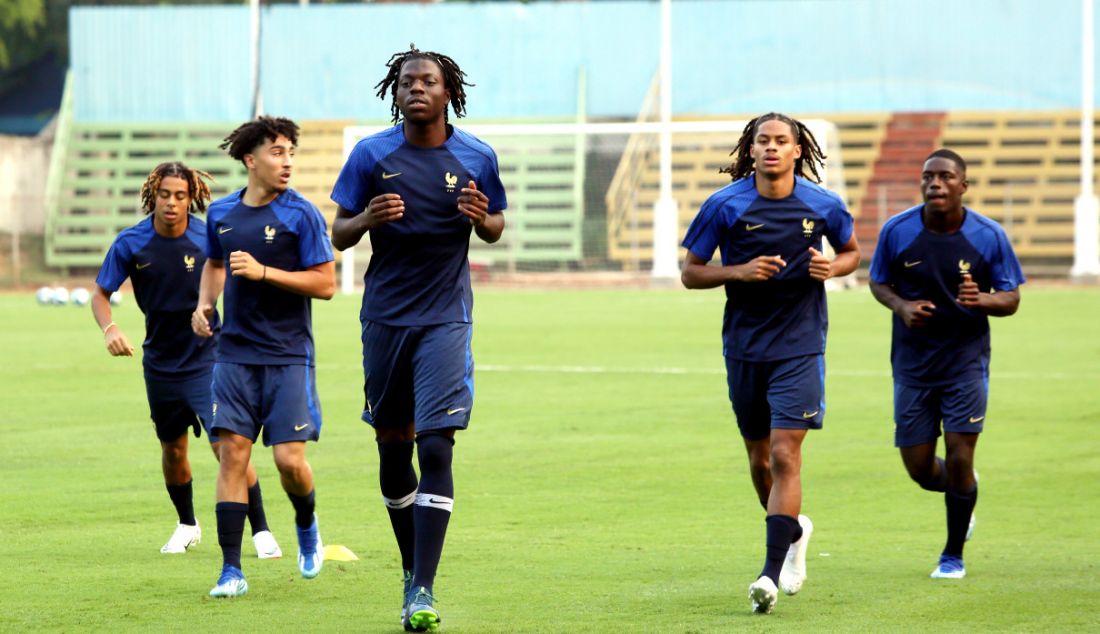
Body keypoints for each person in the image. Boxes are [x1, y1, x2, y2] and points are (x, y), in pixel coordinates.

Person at [330, 45, 506, 632]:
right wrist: (367, 219)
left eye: (428, 81)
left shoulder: (477, 154)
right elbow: (339, 235)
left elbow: (497, 226)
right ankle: (412, 573)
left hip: (446, 319)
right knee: (392, 449)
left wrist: (483, 218)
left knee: (436, 446)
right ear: (395, 92)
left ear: (448, 91)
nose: (416, 90)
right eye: (407, 82)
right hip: (384, 319)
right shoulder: (371, 154)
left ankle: (423, 588)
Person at [680, 113, 859, 614]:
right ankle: (795, 531)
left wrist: (833, 267)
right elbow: (691, 273)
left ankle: (769, 573)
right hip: (744, 348)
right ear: (751, 149)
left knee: (785, 455)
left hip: (801, 346)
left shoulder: (822, 204)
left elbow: (851, 252)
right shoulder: (725, 205)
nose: (774, 148)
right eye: (765, 141)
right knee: (760, 460)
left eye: (784, 141)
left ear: (799, 149)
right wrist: (740, 270)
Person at [91, 161, 281, 559]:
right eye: (165, 195)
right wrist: (110, 329)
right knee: (173, 450)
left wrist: (212, 309)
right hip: (159, 362)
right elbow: (100, 295)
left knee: (226, 446)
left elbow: (238, 278)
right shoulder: (131, 243)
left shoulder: (207, 238)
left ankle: (261, 531)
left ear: (191, 197)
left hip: (209, 359)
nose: (172, 203)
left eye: (180, 195)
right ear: (152, 196)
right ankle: (187, 524)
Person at [191, 116, 336, 598]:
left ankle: (306, 521)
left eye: (291, 152)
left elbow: (325, 284)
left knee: (289, 461)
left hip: (288, 355)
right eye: (277, 152)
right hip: (233, 355)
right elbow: (214, 262)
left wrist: (264, 272)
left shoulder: (303, 215)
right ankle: (231, 570)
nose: (287, 161)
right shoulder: (223, 213)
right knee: (232, 454)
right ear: (250, 160)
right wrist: (205, 303)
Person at [869, 149, 1023, 580]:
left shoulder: (988, 236)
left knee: (959, 455)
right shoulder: (896, 231)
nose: (934, 183)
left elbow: (1011, 297)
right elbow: (878, 281)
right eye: (927, 177)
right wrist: (900, 306)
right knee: (920, 468)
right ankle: (964, 493)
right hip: (913, 366)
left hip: (965, 365)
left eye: (945, 177)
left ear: (963, 186)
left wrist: (983, 300)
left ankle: (952, 555)